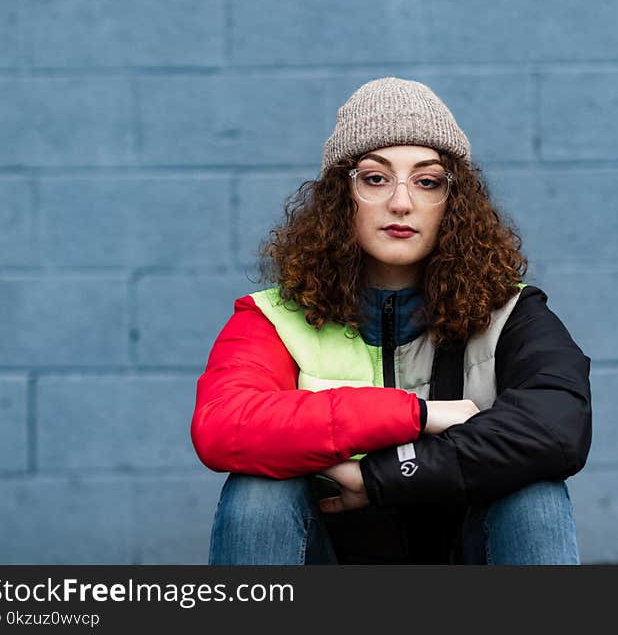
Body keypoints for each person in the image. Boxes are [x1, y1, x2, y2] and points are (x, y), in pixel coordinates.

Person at [191, 76, 592, 565]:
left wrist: (386, 475)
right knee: (257, 494)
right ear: (342, 197)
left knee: (536, 494)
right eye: (375, 178)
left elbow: (556, 428)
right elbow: (223, 426)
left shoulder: (510, 314)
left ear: (454, 203)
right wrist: (415, 415)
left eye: (427, 181)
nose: (401, 202)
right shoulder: (275, 319)